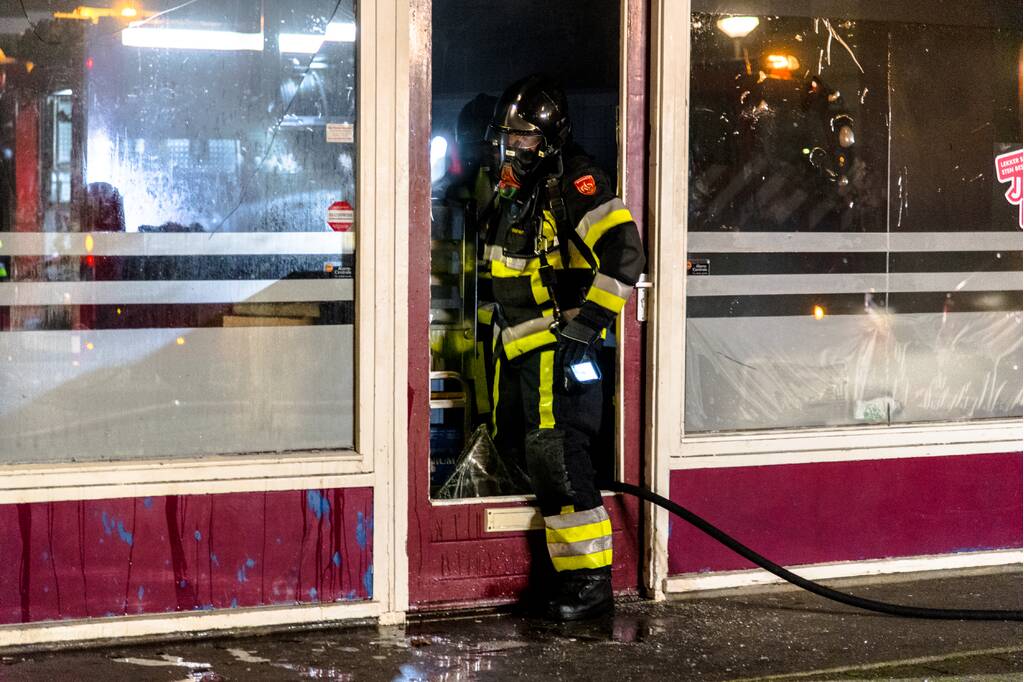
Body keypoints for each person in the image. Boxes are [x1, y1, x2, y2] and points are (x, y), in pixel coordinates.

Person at [481, 74, 645, 620]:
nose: (513, 147)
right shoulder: (516, 188)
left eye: (523, 138)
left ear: (549, 138)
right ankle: (566, 578)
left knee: (560, 462)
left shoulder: (578, 182)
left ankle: (589, 588)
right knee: (533, 458)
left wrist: (589, 324)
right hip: (520, 351)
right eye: (508, 137)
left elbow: (626, 256)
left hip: (559, 351)